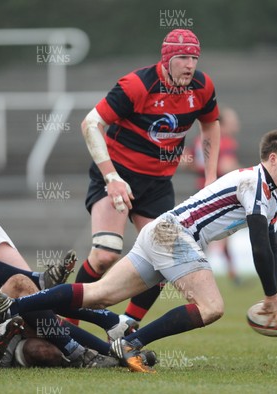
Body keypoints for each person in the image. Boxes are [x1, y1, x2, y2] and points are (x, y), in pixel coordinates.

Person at [0, 130, 277, 373]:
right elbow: (258, 245)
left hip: (161, 231)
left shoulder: (272, 199)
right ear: (272, 159)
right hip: (174, 235)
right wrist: (271, 298)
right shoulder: (256, 182)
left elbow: (272, 249)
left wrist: (274, 295)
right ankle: (129, 343)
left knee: (99, 295)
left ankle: (11, 306)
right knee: (211, 307)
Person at [74, 28, 221, 325]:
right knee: (106, 254)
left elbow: (211, 125)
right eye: (182, 57)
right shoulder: (136, 85)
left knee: (161, 256)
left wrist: (210, 177)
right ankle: (67, 324)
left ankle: (126, 328)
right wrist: (112, 178)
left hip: (157, 183)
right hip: (117, 173)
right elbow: (90, 124)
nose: (189, 65)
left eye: (194, 57)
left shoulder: (202, 86)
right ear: (167, 59)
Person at [188, 106, 243, 284]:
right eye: (233, 121)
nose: (237, 125)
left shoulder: (199, 140)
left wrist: (201, 169)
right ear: (222, 124)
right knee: (220, 233)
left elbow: (184, 160)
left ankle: (230, 273)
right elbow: (227, 166)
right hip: (219, 192)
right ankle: (197, 274)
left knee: (209, 234)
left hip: (200, 190)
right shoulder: (225, 141)